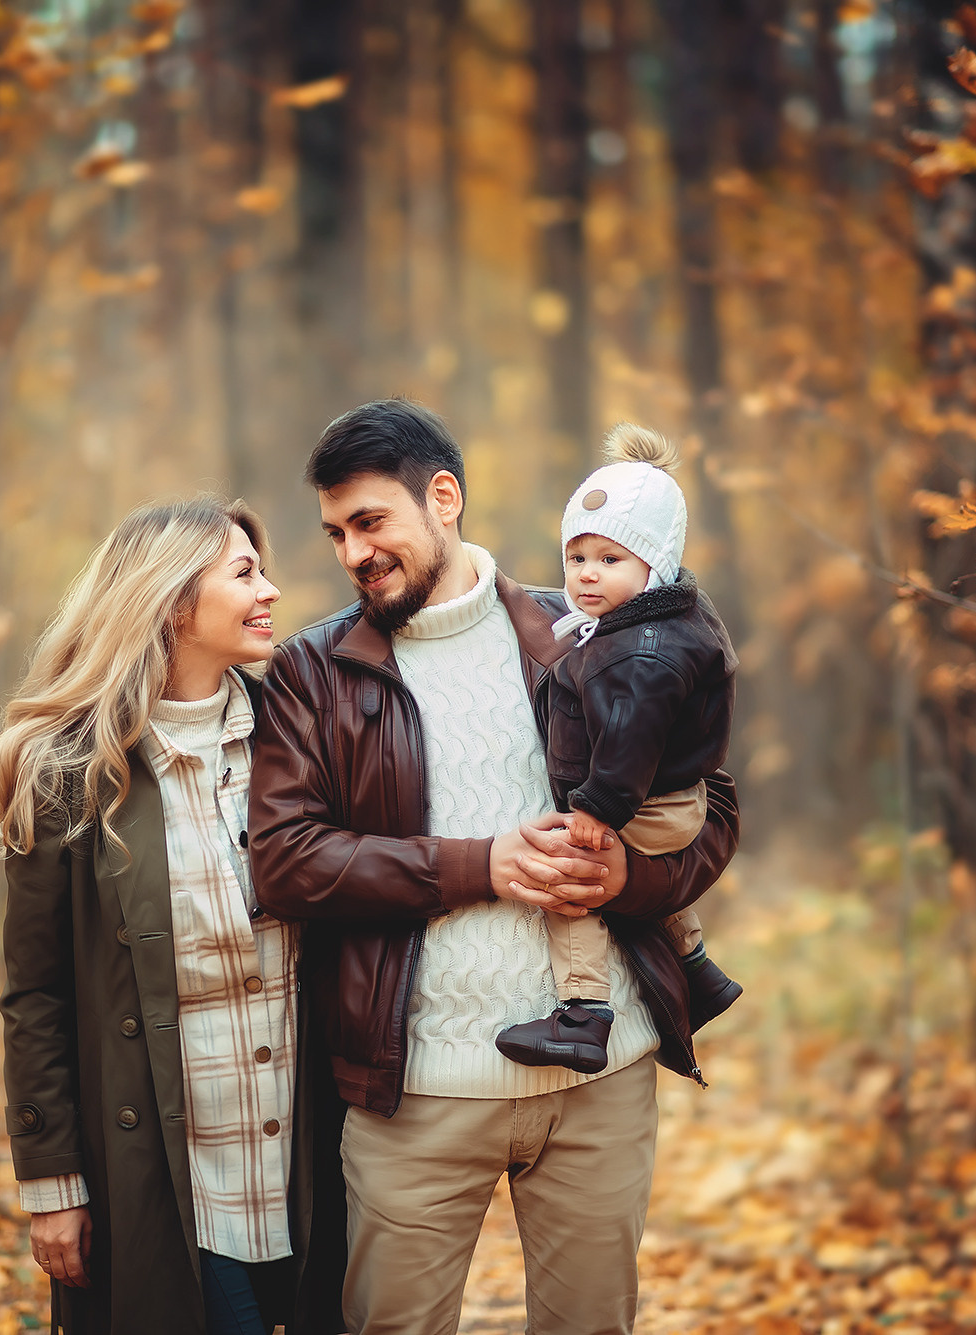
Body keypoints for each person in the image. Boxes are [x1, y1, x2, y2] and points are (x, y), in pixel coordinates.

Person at [249, 400, 740, 1335]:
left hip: (602, 1082)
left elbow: (708, 805)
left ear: (444, 498)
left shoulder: (585, 630)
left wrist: (625, 883)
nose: (353, 552)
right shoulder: (315, 671)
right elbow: (285, 863)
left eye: (370, 521)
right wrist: (483, 865)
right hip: (417, 1088)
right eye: (335, 532)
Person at [0, 498, 344, 1335]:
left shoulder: (299, 734)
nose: (272, 591)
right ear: (175, 601)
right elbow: (37, 996)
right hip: (170, 1174)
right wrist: (52, 1185)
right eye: (245, 573)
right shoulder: (66, 768)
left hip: (309, 1160)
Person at [496, 422, 743, 1075]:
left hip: (640, 801)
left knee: (572, 880)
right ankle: (696, 966)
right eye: (577, 558)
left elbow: (629, 742)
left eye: (610, 560)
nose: (586, 575)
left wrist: (595, 815)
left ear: (653, 565)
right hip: (671, 793)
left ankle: (582, 1013)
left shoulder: (641, 656)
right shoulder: (657, 620)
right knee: (612, 863)